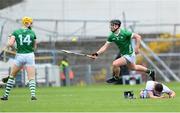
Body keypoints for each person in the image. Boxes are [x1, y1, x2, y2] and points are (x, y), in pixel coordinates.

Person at [90, 19, 155, 83]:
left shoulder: (125, 33)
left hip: (129, 54)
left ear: (117, 26)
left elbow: (138, 37)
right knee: (133, 68)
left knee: (115, 64)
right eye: (111, 25)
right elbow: (105, 46)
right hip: (124, 54)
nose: (110, 27)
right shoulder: (111, 36)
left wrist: (137, 48)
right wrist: (96, 53)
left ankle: (116, 77)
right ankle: (150, 72)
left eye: (112, 25)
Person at [1, 16, 37, 101]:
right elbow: (34, 47)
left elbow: (9, 44)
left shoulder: (16, 32)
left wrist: (10, 39)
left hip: (20, 55)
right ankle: (33, 95)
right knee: (31, 77)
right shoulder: (32, 33)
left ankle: (6, 95)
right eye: (31, 23)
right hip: (30, 56)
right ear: (28, 23)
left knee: (12, 76)